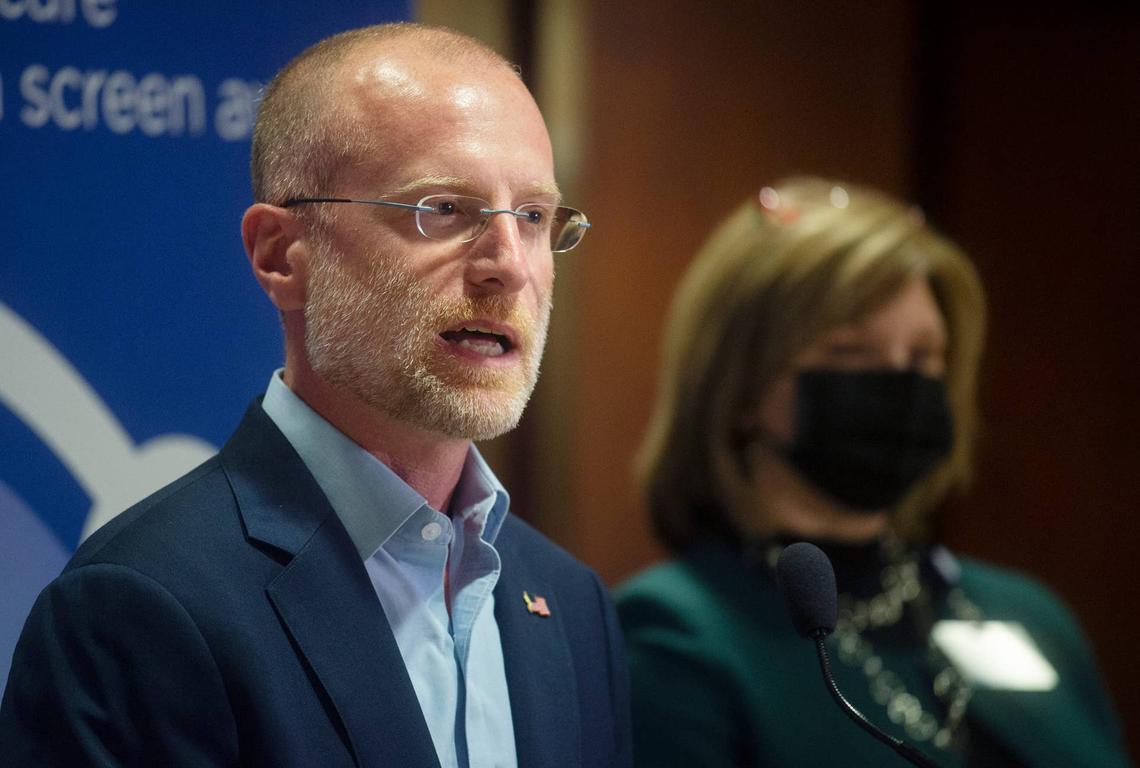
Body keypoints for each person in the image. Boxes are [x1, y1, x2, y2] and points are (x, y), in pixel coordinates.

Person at [0, 23, 630, 768]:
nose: (508, 266)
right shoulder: (136, 607)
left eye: (531, 217)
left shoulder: (571, 602)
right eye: (444, 210)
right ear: (281, 256)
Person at [616, 177, 1130, 767]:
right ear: (742, 386)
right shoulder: (675, 635)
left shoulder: (1026, 612)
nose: (900, 385)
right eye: (851, 354)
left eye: (922, 358)